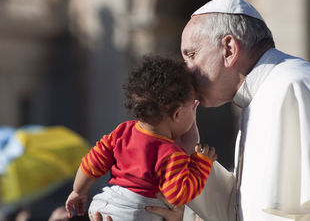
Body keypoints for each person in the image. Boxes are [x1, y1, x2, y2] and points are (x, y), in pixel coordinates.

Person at [148, 0, 310, 221]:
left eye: (191, 55)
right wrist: (188, 154)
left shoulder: (297, 84)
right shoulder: (255, 100)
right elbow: (242, 212)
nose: (186, 71)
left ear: (229, 49)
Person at [65, 55, 217, 221]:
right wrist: (201, 164)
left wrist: (78, 191)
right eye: (193, 108)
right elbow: (178, 195)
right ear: (177, 113)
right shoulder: (171, 154)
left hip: (102, 204)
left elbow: (91, 162)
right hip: (137, 213)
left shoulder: (122, 131)